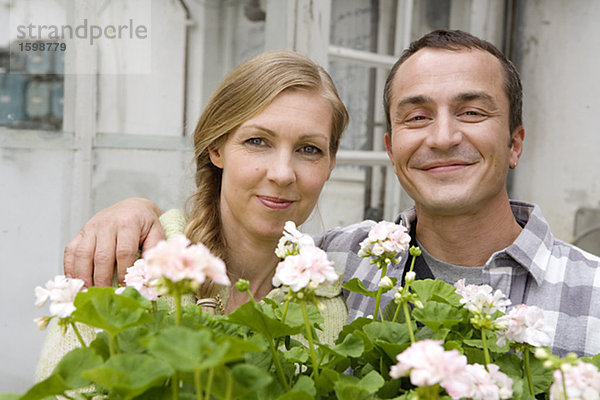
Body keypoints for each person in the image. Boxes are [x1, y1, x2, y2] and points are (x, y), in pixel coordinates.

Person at [63, 30, 600, 358]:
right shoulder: (338, 265)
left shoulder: (592, 293)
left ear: (515, 143)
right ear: (391, 147)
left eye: (473, 111)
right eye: (417, 116)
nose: (442, 136)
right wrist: (137, 211)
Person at [36, 49, 350, 380]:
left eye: (309, 149)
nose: (283, 173)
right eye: (258, 141)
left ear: (330, 163)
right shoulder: (131, 265)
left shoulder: (330, 305)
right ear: (216, 148)